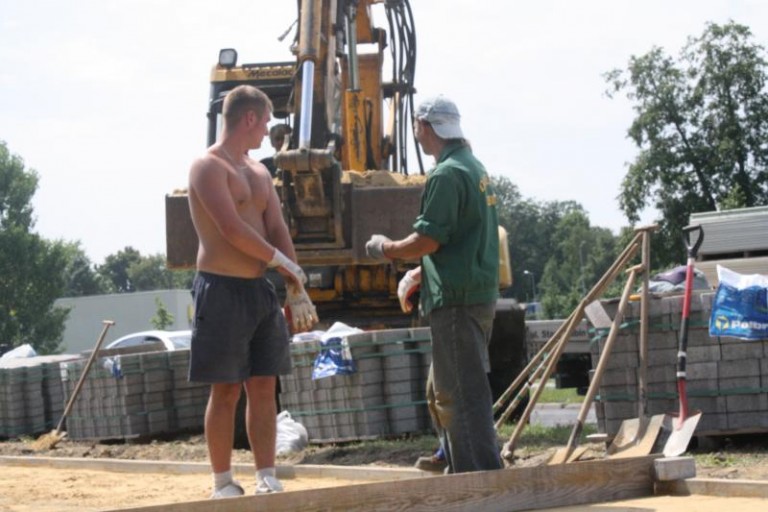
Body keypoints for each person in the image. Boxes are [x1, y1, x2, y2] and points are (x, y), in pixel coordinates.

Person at [187, 85, 318, 498]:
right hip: (221, 288)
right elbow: (231, 229)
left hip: (259, 290)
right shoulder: (208, 167)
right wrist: (281, 262)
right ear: (248, 118)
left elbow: (276, 228)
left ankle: (266, 474)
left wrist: (294, 283)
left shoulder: (260, 171)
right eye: (265, 121)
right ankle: (222, 481)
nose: (267, 130)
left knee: (264, 385)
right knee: (225, 388)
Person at [365, 95, 502, 474]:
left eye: (415, 126)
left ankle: (479, 479)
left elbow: (428, 240)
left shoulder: (445, 175)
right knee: (441, 388)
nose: (415, 133)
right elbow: (464, 237)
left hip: (456, 300)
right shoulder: (473, 168)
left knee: (458, 393)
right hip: (472, 292)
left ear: (425, 127)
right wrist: (422, 273)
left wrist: (385, 249)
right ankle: (454, 456)